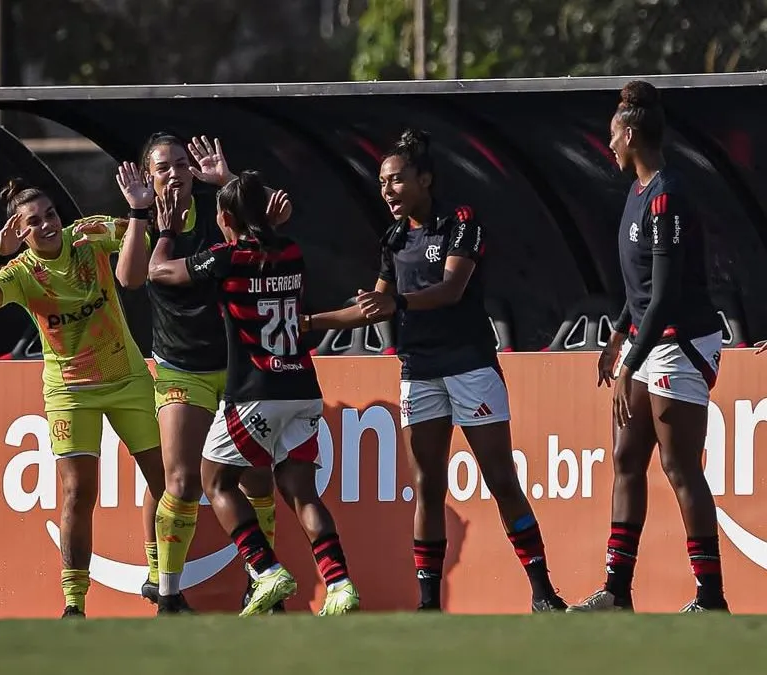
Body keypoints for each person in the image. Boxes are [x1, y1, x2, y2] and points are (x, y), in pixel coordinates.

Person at [303, 130, 567, 613]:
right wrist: (309, 322)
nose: (387, 190)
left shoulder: (460, 222)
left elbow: (451, 288)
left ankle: (542, 593)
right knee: (427, 486)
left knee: (501, 479)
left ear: (425, 179)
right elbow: (373, 307)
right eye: (382, 183)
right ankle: (428, 605)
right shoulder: (394, 238)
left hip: (470, 366)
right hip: (418, 371)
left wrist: (397, 302)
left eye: (396, 180)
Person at [146, 171, 359, 616]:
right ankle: (340, 584)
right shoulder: (292, 250)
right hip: (302, 386)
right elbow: (267, 250)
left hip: (255, 391)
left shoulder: (227, 258)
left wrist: (166, 231)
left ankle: (265, 569)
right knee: (301, 491)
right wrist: (266, 221)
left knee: (215, 480)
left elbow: (158, 271)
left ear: (225, 218)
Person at [0, 175, 167, 618]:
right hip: (70, 391)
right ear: (19, 233)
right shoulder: (20, 271)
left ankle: (159, 578)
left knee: (164, 479)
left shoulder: (88, 236)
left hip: (127, 378)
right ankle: (74, 603)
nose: (47, 225)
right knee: (78, 492)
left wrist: (138, 210)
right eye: (34, 222)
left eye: (51, 214)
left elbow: (145, 235)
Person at [569, 82, 728, 613]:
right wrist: (617, 336)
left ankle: (711, 597)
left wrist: (626, 367)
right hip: (645, 339)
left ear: (632, 135)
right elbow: (638, 294)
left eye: (613, 135)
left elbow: (664, 297)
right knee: (625, 457)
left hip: (680, 341)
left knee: (680, 466)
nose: (609, 144)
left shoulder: (667, 195)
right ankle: (617, 592)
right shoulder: (637, 193)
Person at [115, 133, 286, 613]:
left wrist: (228, 179)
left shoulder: (221, 211)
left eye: (181, 164)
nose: (174, 174)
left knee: (257, 479)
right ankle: (168, 595)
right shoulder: (142, 222)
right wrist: (138, 214)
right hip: (180, 370)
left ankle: (262, 584)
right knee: (183, 482)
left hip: (238, 369)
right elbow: (129, 279)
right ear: (148, 178)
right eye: (163, 168)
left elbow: (276, 213)